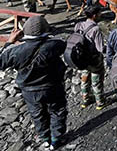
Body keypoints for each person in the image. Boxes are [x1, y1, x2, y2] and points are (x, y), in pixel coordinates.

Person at [0, 16, 67, 150]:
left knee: (37, 113)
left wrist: (9, 42)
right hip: (53, 86)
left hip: (29, 91)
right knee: (57, 111)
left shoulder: (15, 51)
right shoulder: (56, 44)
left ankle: (45, 139)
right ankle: (56, 139)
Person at [74, 6, 106, 110]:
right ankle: (100, 102)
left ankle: (85, 100)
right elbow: (100, 48)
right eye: (99, 13)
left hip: (81, 59)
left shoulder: (79, 25)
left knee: (84, 79)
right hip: (94, 60)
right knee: (96, 81)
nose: (101, 14)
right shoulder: (96, 29)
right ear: (94, 15)